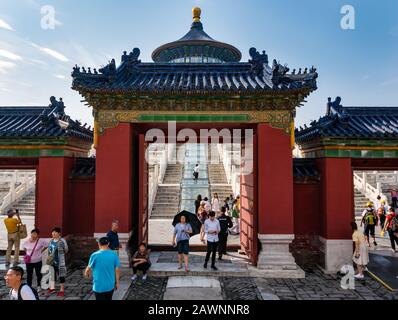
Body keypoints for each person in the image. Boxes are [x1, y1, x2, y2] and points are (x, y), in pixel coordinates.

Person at [47, 227, 68, 297]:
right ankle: (52, 288)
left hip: (60, 262)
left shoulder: (62, 241)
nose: (53, 234)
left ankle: (62, 289)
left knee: (61, 275)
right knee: (52, 275)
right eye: (53, 232)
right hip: (52, 261)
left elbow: (66, 250)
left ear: (59, 233)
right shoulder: (51, 241)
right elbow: (49, 250)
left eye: (55, 232)